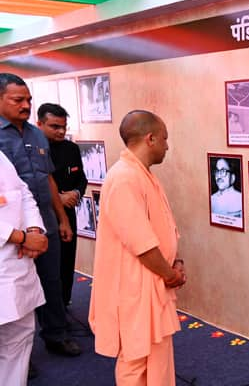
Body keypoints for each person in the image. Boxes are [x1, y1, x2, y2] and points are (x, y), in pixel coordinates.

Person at [89, 110, 187, 386]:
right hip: (135, 287)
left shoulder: (141, 174)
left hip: (152, 283)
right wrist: (170, 275)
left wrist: (174, 262)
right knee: (135, 359)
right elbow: (141, 245)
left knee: (155, 355)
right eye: (165, 139)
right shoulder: (123, 178)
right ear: (151, 138)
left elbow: (161, 228)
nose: (168, 145)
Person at [0, 73, 80, 358]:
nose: (26, 105)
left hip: (42, 220)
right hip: (8, 230)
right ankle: (16, 352)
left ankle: (56, 335)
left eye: (29, 100)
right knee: (13, 292)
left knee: (52, 280)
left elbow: (47, 180)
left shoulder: (36, 133)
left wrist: (61, 220)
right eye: (18, 100)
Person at [0, 150, 49, 385]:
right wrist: (19, 237)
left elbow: (23, 194)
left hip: (18, 268)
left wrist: (34, 231)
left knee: (19, 342)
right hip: (9, 256)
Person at [37, 103, 88, 307]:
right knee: (48, 269)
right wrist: (58, 197)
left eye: (63, 127)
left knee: (67, 264)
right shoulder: (34, 152)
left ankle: (64, 303)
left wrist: (76, 193)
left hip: (69, 216)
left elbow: (81, 179)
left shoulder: (71, 149)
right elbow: (31, 186)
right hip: (44, 218)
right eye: (54, 126)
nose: (61, 131)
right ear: (39, 124)